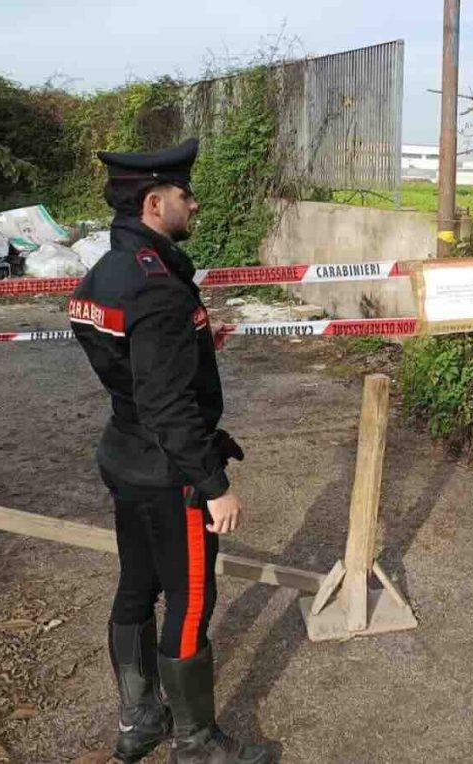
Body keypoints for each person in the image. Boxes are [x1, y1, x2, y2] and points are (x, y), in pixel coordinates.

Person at [69, 138, 275, 763]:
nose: (195, 205)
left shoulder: (107, 272)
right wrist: (213, 485)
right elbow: (165, 404)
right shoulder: (156, 285)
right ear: (155, 203)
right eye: (186, 196)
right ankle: (196, 742)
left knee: (136, 586)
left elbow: (135, 370)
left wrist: (194, 345)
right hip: (167, 474)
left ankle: (140, 722)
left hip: (124, 455)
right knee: (190, 600)